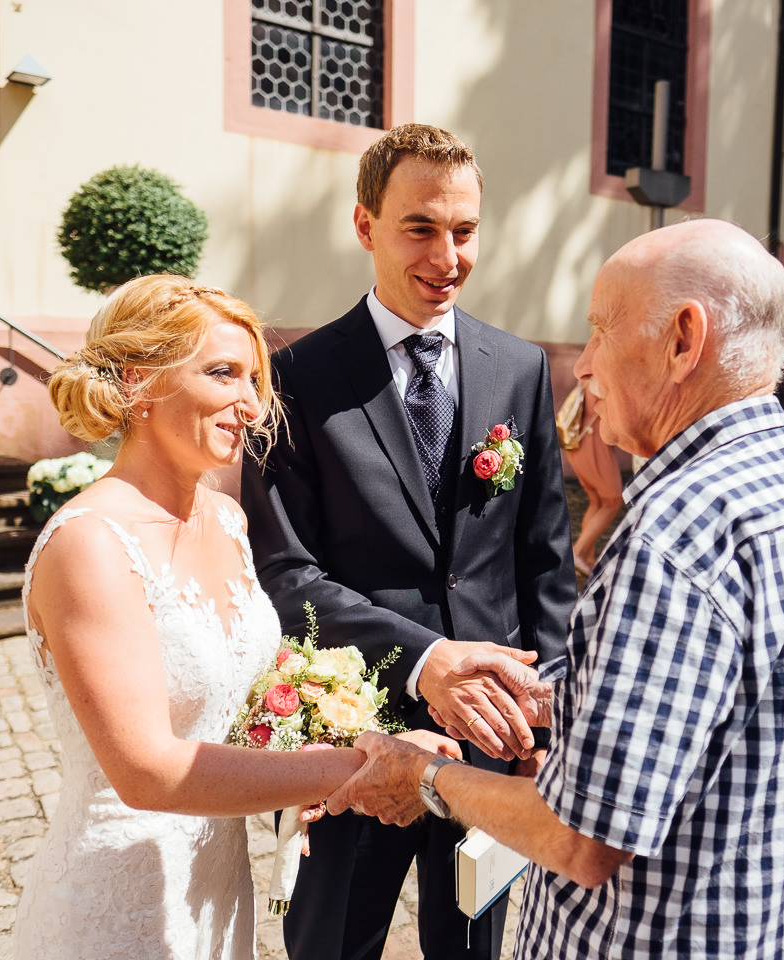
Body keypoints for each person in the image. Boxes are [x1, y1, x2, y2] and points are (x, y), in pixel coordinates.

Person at [326, 219, 784, 958]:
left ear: (683, 340)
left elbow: (583, 838)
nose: (586, 364)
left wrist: (427, 775)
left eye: (601, 329)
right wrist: (562, 704)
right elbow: (747, 712)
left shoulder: (676, 529)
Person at [13, 275, 457, 959]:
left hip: (214, 877)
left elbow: (244, 692)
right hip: (120, 896)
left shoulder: (226, 518)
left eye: (255, 380)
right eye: (224, 374)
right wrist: (359, 767)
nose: (251, 405)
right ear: (139, 382)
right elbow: (148, 773)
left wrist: (350, 729)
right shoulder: (91, 545)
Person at [240, 123, 575, 960]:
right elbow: (285, 573)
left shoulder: (521, 367)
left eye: (463, 231)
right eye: (420, 228)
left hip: (496, 737)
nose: (448, 255)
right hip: (356, 734)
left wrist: (551, 713)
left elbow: (544, 558)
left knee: (474, 944)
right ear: (365, 227)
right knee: (333, 942)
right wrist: (429, 662)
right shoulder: (297, 378)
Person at [564, 379, 622, 575]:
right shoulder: (600, 373)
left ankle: (587, 557)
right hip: (593, 442)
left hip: (580, 444)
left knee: (596, 502)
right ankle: (578, 552)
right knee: (613, 501)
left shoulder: (588, 375)